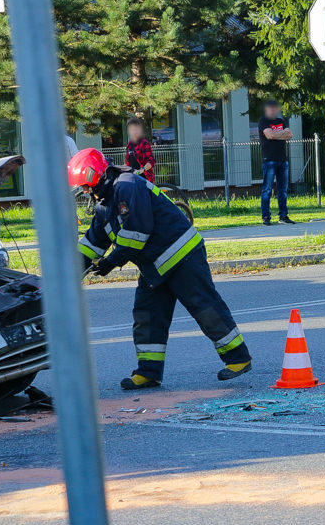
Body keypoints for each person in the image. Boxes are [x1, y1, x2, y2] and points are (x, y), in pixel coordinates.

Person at [69, 148, 252, 389]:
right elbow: (94, 241)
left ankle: (238, 359)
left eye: (86, 186)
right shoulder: (104, 204)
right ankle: (148, 372)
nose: (85, 192)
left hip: (182, 256)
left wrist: (110, 262)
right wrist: (70, 271)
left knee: (204, 307)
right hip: (155, 266)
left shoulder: (127, 186)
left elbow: (137, 233)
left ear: (97, 177)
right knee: (147, 315)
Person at [258, 100, 294, 225]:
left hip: (282, 160)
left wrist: (276, 134)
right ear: (266, 109)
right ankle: (266, 217)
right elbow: (270, 136)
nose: (273, 110)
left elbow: (290, 134)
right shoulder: (263, 121)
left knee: (283, 190)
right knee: (267, 189)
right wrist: (280, 134)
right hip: (269, 160)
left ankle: (283, 216)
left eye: (275, 108)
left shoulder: (280, 121)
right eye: (270, 108)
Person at [125, 117, 155, 183]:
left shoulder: (144, 143)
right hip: (132, 178)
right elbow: (127, 163)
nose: (134, 132)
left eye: (136, 129)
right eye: (132, 129)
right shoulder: (129, 144)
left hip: (144, 178)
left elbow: (151, 161)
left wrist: (141, 170)